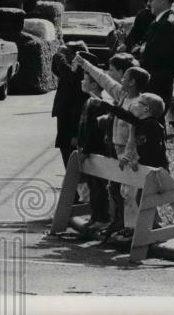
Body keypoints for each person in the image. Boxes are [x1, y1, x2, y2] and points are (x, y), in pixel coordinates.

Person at [75, 56, 164, 238]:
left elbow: (134, 136)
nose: (119, 80)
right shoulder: (122, 95)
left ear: (131, 82)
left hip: (129, 152)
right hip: (115, 148)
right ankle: (120, 223)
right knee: (117, 189)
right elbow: (103, 79)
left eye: (124, 78)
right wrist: (84, 64)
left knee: (131, 191)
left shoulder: (139, 104)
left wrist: (129, 155)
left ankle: (139, 225)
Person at [139, 0, 174, 130]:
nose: (148, 3)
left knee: (153, 123)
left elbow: (154, 55)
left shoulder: (167, 23)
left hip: (158, 80)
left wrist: (141, 51)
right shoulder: (159, 21)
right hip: (156, 79)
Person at [76, 67, 112, 229]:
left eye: (85, 80)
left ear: (94, 86)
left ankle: (103, 219)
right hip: (87, 149)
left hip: (95, 151)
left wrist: (86, 150)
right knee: (92, 186)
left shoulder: (99, 104)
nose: (82, 82)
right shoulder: (88, 101)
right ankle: (95, 216)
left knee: (99, 187)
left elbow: (94, 131)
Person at [51, 43, 94, 169]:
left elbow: (69, 75)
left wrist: (60, 56)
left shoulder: (82, 72)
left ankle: (77, 184)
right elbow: (57, 69)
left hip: (74, 119)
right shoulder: (71, 70)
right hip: (65, 115)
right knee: (65, 149)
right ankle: (72, 181)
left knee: (71, 151)